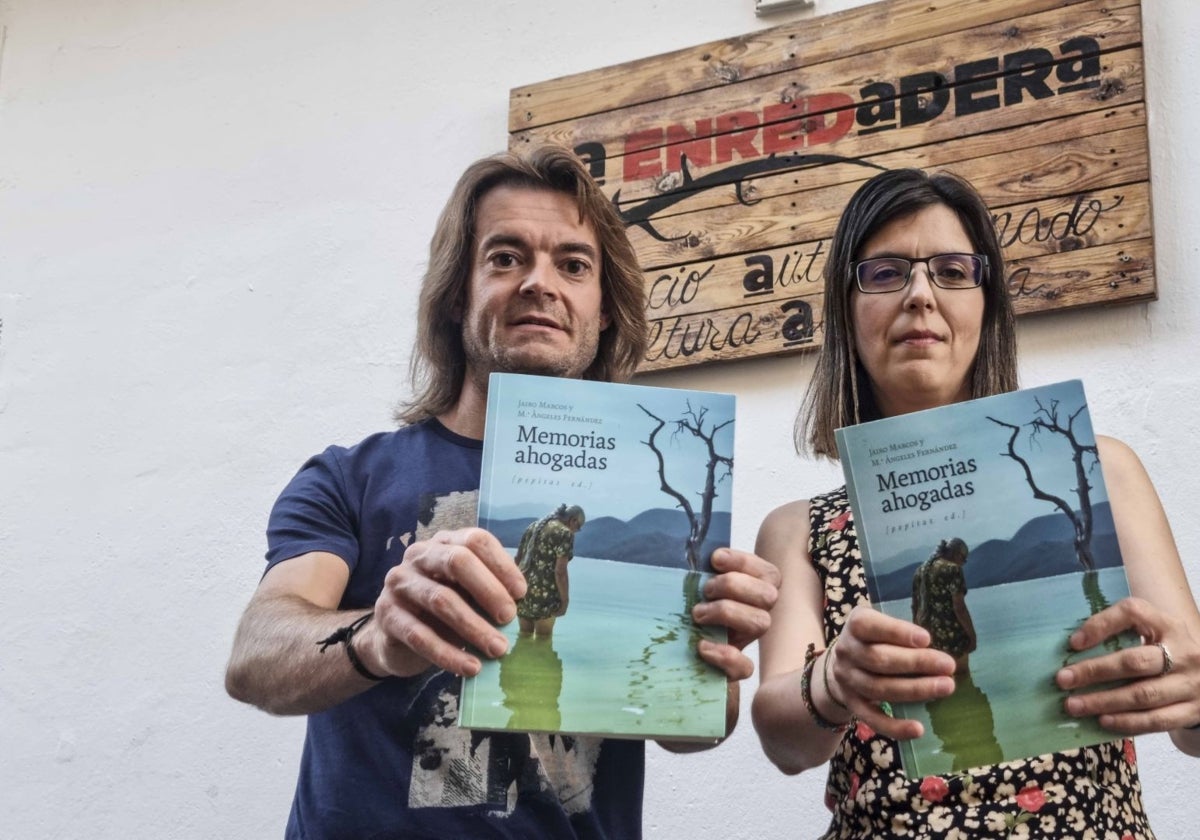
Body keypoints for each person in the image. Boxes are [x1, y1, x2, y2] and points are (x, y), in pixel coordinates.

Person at [224, 144, 780, 840]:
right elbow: (255, 656)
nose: (539, 283)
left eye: (573, 265)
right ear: (459, 290)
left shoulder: (656, 497)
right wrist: (378, 637)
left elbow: (694, 736)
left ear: (604, 308)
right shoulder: (351, 477)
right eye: (506, 257)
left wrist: (713, 673)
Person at [751, 167, 1200, 838]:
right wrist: (832, 682)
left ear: (987, 302)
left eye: (953, 270)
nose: (920, 295)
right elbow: (786, 743)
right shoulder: (797, 529)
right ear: (845, 307)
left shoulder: (1102, 468)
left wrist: (1190, 691)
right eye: (884, 273)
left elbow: (1192, 719)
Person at [515, 503, 584, 636]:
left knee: (524, 637)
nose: (576, 531)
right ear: (573, 520)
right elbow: (560, 573)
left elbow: (518, 560)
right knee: (543, 642)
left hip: (523, 593)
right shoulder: (565, 533)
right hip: (546, 598)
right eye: (578, 527)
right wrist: (565, 602)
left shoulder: (533, 526)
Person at [910, 537, 976, 673]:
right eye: (964, 559)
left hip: (929, 640)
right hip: (953, 638)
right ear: (957, 554)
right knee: (962, 680)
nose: (963, 563)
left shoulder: (919, 571)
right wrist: (972, 637)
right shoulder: (953, 569)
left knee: (939, 683)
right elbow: (959, 608)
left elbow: (914, 608)